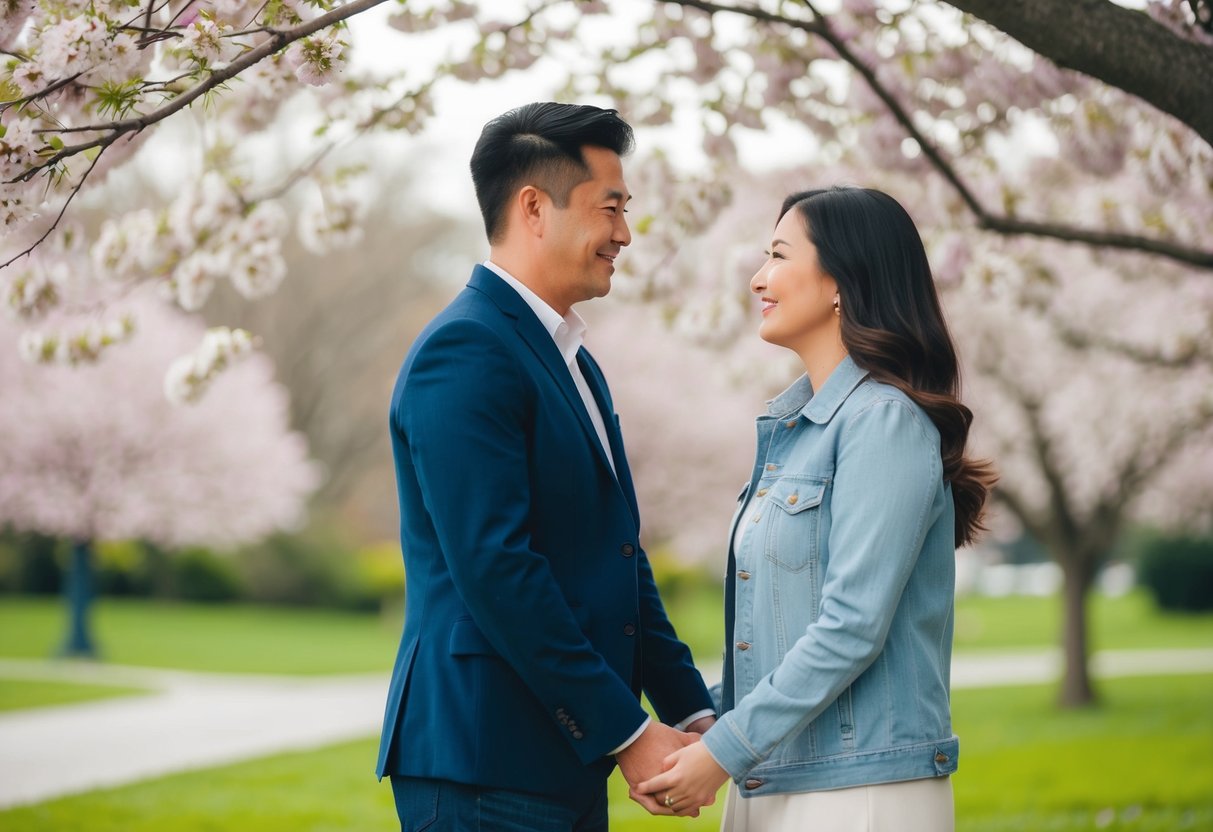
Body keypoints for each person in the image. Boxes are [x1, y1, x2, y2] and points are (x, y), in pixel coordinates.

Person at [375, 102, 716, 832]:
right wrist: (627, 731)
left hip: (552, 759)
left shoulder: (574, 362)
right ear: (534, 207)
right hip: (481, 760)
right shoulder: (464, 351)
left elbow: (617, 559)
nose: (625, 234)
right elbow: (497, 568)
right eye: (611, 208)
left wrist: (691, 709)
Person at [638, 186, 996, 831]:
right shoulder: (795, 428)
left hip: (860, 791)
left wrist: (721, 752)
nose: (757, 278)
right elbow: (783, 636)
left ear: (842, 282)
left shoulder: (884, 423)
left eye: (778, 255)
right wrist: (705, 728)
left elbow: (852, 624)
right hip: (772, 774)